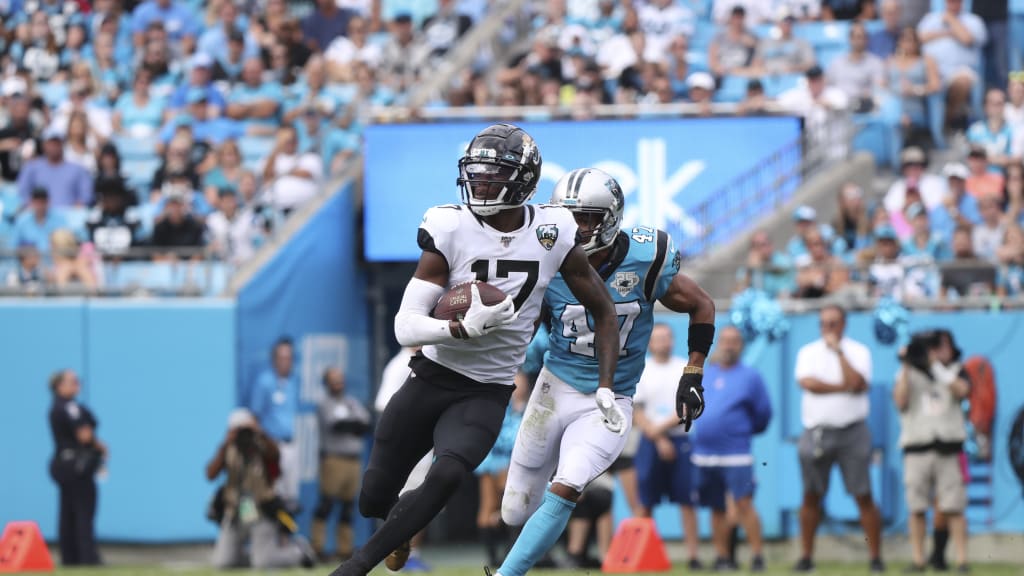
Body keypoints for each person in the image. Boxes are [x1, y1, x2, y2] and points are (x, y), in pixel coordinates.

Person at [329, 124, 622, 576]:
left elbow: (603, 310)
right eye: (477, 173)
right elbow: (406, 326)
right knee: (374, 498)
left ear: (523, 179)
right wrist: (458, 329)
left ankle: (356, 566)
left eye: (494, 174)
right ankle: (401, 523)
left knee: (447, 474)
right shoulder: (450, 225)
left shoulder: (553, 228)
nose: (481, 183)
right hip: (431, 375)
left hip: (486, 389)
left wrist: (606, 384)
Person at [495, 167, 715, 576]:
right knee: (514, 508)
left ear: (610, 217)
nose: (576, 228)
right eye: (568, 216)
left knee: (569, 483)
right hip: (553, 386)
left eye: (586, 217)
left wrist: (693, 372)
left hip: (610, 397)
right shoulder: (547, 257)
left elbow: (701, 303)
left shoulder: (647, 259)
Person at [793, 305, 883, 573]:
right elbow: (809, 384)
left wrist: (839, 353)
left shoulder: (858, 351)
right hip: (817, 431)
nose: (828, 329)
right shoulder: (808, 352)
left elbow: (857, 383)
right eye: (824, 324)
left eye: (833, 323)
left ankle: (875, 557)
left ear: (844, 324)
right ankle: (807, 556)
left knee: (863, 495)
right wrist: (843, 387)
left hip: (852, 431)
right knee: (811, 495)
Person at [693, 326, 771, 572]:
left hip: (736, 453)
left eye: (734, 341)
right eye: (725, 341)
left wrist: (740, 432)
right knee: (716, 507)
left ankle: (757, 556)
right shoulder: (707, 374)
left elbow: (763, 414)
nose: (729, 345)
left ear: (741, 345)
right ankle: (723, 557)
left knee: (744, 504)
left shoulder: (750, 376)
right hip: (705, 454)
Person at [893, 331, 970, 572]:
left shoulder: (956, 370)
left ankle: (962, 560)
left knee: (953, 506)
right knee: (916, 506)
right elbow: (900, 401)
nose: (936, 351)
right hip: (917, 446)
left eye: (941, 346)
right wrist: (908, 364)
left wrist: (936, 366)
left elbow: (962, 391)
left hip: (948, 445)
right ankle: (918, 559)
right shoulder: (910, 373)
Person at [206, 408, 315, 569]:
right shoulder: (228, 448)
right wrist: (226, 443)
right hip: (235, 511)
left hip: (261, 510)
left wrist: (259, 433)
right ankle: (254, 555)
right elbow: (211, 474)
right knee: (223, 562)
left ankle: (298, 552)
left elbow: (276, 460)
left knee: (264, 562)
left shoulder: (262, 445)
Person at [633, 324, 703, 570]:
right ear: (650, 342)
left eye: (666, 338)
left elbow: (689, 407)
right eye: (657, 338)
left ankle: (694, 556)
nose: (662, 342)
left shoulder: (683, 369)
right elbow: (637, 409)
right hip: (651, 441)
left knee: (687, 500)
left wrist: (661, 430)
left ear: (673, 340)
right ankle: (640, 555)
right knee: (646, 500)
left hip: (679, 438)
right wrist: (658, 438)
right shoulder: (642, 369)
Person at [374, 346, 431, 572]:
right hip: (408, 448)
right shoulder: (400, 365)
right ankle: (395, 556)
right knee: (405, 503)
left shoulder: (427, 361)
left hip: (424, 446)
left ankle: (413, 555)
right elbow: (384, 407)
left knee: (424, 500)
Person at [313, 368, 371, 562]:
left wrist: (351, 425)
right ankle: (318, 547)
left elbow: (365, 425)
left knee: (348, 506)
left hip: (352, 459)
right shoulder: (325, 403)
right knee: (326, 503)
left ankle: (344, 549)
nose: (338, 383)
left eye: (340, 379)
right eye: (334, 380)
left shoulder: (351, 401)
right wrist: (353, 425)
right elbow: (338, 426)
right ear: (326, 383)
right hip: (334, 458)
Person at [48, 369, 106, 566]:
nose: (77, 385)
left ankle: (69, 557)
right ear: (59, 386)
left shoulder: (56, 406)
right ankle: (87, 557)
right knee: (83, 510)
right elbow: (84, 435)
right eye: (72, 381)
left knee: (67, 511)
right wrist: (100, 447)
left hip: (62, 464)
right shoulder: (69, 407)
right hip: (76, 465)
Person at [476, 372, 529, 568]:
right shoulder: (501, 408)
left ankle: (508, 552)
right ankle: (492, 557)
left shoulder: (529, 407)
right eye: (515, 384)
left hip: (514, 461)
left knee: (510, 507)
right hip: (496, 460)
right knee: (490, 506)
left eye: (521, 384)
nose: (518, 388)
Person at [248, 337, 302, 506]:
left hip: (291, 444)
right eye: (282, 358)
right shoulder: (265, 382)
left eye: (289, 358)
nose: (286, 362)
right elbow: (254, 418)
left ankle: (286, 533)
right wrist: (265, 445)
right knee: (273, 492)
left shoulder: (294, 381)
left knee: (291, 495)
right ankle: (272, 532)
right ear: (274, 359)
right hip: (273, 446)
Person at [16, 125, 94, 208]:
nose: (54, 146)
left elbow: (86, 196)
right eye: (51, 143)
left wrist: (77, 208)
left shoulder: (78, 169)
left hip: (70, 217)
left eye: (57, 143)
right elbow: (22, 193)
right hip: (39, 217)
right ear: (44, 145)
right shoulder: (31, 168)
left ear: (63, 144)